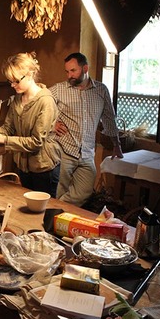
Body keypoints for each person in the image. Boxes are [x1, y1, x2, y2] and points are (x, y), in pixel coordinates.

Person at [0, 52, 61, 196]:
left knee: (42, 213)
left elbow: (36, 142)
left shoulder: (46, 101)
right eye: (10, 81)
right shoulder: (17, 100)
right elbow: (7, 129)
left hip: (44, 168)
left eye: (16, 81)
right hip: (23, 166)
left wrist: (5, 140)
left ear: (30, 74)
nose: (13, 85)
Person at [49, 52, 124, 206]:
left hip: (87, 153)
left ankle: (54, 209)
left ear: (85, 68)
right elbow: (40, 107)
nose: (69, 75)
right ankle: (53, 221)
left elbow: (109, 119)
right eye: (67, 71)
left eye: (73, 70)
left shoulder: (101, 90)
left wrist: (117, 146)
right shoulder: (59, 89)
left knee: (84, 192)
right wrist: (52, 124)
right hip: (64, 151)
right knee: (58, 190)